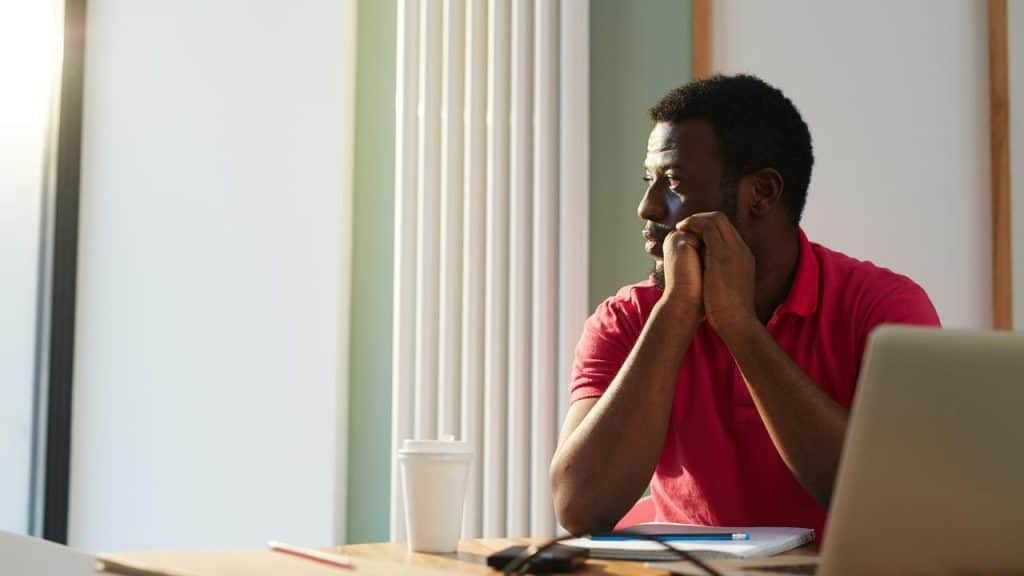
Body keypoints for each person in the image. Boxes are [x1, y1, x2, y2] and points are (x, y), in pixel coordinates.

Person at [549, 74, 940, 538]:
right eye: (648, 181)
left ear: (762, 194)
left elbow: (891, 501)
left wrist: (740, 327)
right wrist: (675, 311)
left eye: (672, 183)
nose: (648, 208)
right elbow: (579, 507)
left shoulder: (883, 308)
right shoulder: (628, 318)